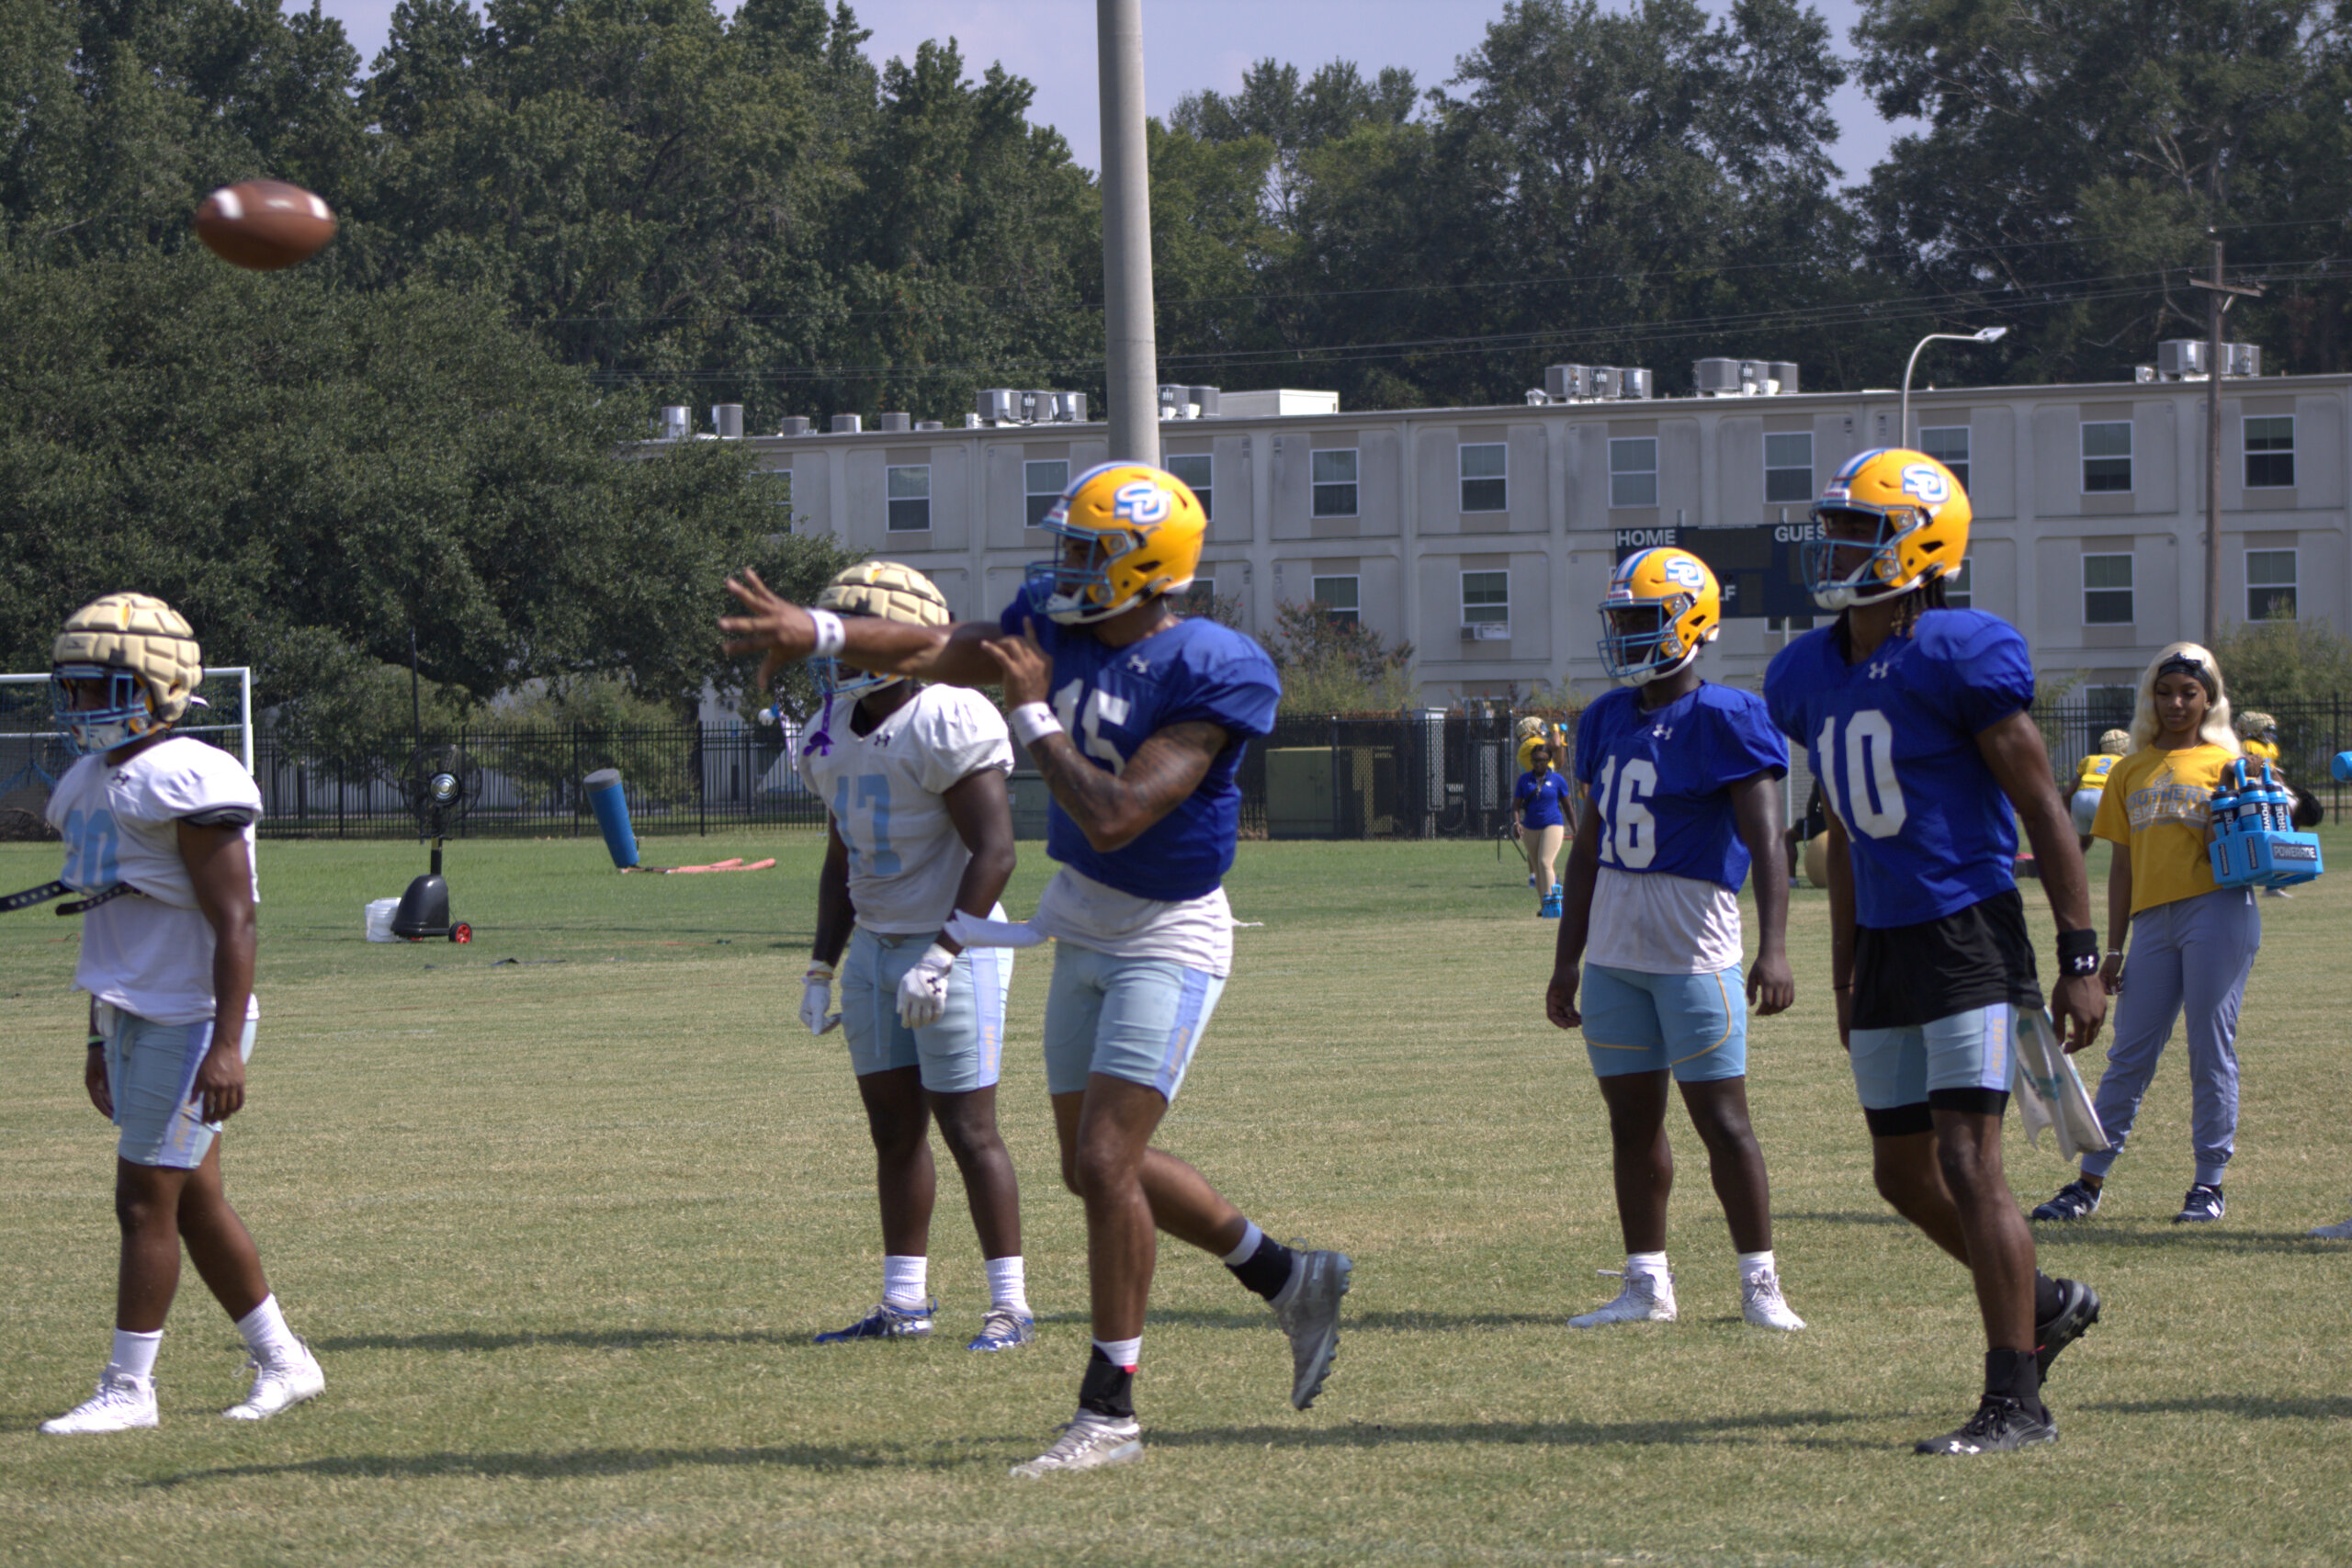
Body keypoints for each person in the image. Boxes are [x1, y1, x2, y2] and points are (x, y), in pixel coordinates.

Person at [724, 462, 1350, 1479]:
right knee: (1092, 1165)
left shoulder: (1220, 666)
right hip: (1084, 922)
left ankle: (1109, 1413)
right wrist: (822, 633)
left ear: (1145, 569)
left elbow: (1113, 811)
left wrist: (1033, 715)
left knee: (1104, 1163)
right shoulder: (1051, 629)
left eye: (1084, 552)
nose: (1060, 569)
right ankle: (1289, 1276)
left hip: (1170, 932)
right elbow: (937, 645)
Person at [1762, 449, 2107, 1456]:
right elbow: (1847, 838)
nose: (1834, 548)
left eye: (1856, 530)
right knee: (1899, 1174)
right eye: (1832, 528)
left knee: (1968, 1159)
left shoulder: (1961, 652)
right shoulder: (1806, 673)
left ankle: (2017, 1403)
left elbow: (2042, 805)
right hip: (1884, 942)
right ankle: (2038, 1304)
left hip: (1966, 927)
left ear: (1920, 543)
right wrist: (1840, 969)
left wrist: (2079, 952)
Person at [37, 593, 323, 1435]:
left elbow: (236, 918)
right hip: (134, 1010)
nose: (81, 706)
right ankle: (285, 1359)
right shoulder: (86, 782)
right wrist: (97, 1031)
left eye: (101, 688)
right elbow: (108, 916)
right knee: (193, 1200)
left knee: (140, 1200)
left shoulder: (187, 773)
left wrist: (227, 1044)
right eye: (74, 689)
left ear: (159, 687)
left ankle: (129, 1388)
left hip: (192, 1016)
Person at [1546, 547, 1804, 1333]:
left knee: (1725, 1122)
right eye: (1619, 618)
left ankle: (1760, 1282)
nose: (1624, 633)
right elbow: (1587, 848)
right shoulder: (1604, 717)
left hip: (1696, 940)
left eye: (1640, 618)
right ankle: (1646, 1283)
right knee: (1631, 1124)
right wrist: (1566, 958)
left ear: (1689, 620)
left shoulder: (1727, 714)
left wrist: (1775, 945)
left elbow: (1767, 842)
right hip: (1618, 947)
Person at [792, 563, 1034, 1351]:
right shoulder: (828, 725)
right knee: (893, 1130)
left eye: (858, 634)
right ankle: (905, 1303)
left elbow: (996, 851)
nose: (839, 655)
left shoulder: (948, 715)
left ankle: (1011, 1304)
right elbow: (841, 859)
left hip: (954, 945)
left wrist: (944, 952)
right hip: (878, 947)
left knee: (970, 1128)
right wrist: (822, 964)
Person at [2031, 644, 2262, 1226]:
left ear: (2209, 698)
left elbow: (2253, 847)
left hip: (2218, 909)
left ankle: (2208, 1185)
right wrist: (2113, 947)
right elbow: (2123, 868)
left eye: (2189, 692)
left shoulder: (2227, 761)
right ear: (2150, 698)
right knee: (2129, 1054)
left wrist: (2248, 802)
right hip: (2151, 923)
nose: (2176, 703)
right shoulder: (2129, 770)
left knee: (2211, 1048)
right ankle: (2088, 1182)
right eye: (2165, 692)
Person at [2233, 711, 2295, 897]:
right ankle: (2270, 880)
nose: (2270, 734)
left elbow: (2272, 770)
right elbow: (2254, 770)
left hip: (2267, 791)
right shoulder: (2249, 746)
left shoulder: (2269, 748)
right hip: (2255, 793)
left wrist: (2282, 785)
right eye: (2266, 730)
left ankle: (2276, 881)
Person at [1514, 743, 1572, 917]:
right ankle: (1544, 905)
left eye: (1543, 760)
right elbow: (1516, 806)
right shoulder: (1524, 780)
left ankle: (1553, 901)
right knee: (1538, 867)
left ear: (1549, 761)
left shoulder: (1557, 780)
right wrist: (1517, 823)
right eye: (1535, 760)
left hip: (1552, 824)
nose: (1538, 763)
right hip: (1531, 826)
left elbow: (1568, 807)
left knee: (1546, 862)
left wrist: (1576, 830)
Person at [2069, 728, 2132, 853]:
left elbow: (2070, 789)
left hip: (2079, 798)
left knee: (2083, 842)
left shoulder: (2089, 760)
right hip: (2101, 798)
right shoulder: (2125, 762)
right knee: (2123, 843)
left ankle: (2074, 870)